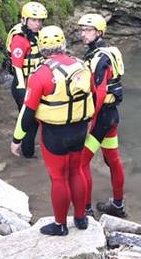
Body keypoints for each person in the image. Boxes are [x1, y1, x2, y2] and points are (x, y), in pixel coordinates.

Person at [11, 25, 94, 236]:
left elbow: (27, 112)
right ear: (64, 44)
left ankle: (60, 225)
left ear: (41, 47)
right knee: (76, 171)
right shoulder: (82, 66)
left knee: (58, 178)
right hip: (79, 129)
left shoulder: (41, 74)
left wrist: (17, 138)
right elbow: (92, 94)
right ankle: (81, 218)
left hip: (54, 133)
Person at [77, 14, 127, 218]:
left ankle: (86, 210)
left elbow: (99, 93)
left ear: (99, 32)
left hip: (101, 118)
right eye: (82, 30)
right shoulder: (109, 52)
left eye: (88, 30)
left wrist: (90, 120)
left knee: (81, 163)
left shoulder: (99, 58)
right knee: (113, 160)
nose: (83, 34)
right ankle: (117, 204)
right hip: (112, 116)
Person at [5, 1, 47, 158]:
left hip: (35, 83)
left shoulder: (36, 35)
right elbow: (17, 67)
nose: (37, 24)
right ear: (25, 20)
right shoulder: (20, 39)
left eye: (40, 20)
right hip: (22, 84)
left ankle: (26, 150)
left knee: (32, 121)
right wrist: (23, 92)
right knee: (31, 122)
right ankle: (28, 154)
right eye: (34, 20)